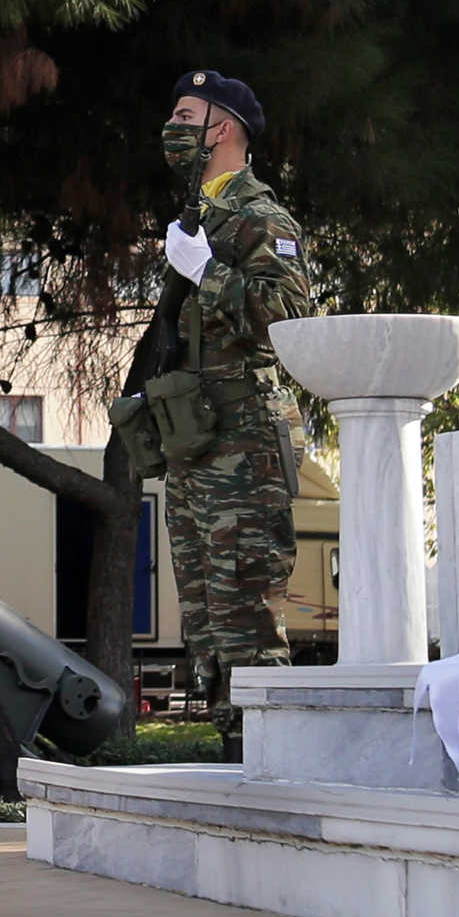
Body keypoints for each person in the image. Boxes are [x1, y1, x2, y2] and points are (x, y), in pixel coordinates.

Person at [152, 71, 314, 761]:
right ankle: (234, 761)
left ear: (222, 129)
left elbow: (290, 320)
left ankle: (268, 764)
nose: (172, 127)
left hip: (243, 443)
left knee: (246, 616)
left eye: (185, 114)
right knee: (209, 625)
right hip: (199, 444)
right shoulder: (202, 217)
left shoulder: (261, 218)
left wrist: (206, 271)